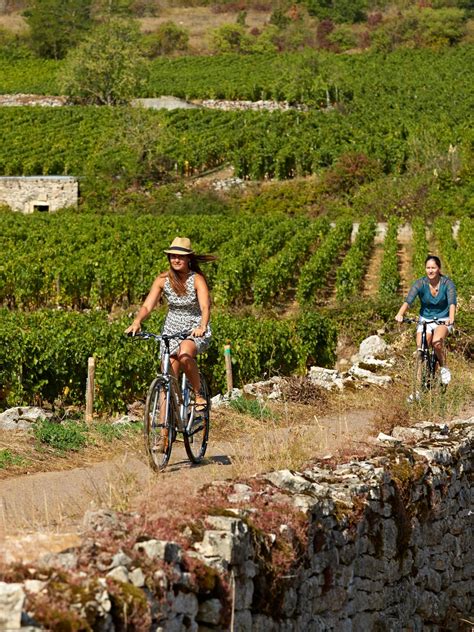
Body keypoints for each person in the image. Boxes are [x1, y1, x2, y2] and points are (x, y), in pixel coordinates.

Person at [125, 237, 215, 442]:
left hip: (194, 326)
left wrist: (202, 326)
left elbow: (205, 307)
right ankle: (165, 437)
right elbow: (148, 305)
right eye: (173, 256)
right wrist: (138, 321)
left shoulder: (196, 279)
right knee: (167, 379)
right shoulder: (162, 280)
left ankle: (198, 394)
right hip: (171, 327)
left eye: (180, 256)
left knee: (184, 355)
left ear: (188, 259)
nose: (176, 260)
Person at [395, 255, 457, 397]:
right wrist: (400, 314)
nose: (430, 270)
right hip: (425, 319)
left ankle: (443, 368)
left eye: (433, 268)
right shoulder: (420, 283)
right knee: (420, 352)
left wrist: (451, 319)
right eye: (428, 268)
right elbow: (408, 300)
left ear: (438, 268)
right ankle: (417, 391)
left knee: (436, 343)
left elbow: (452, 302)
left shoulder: (447, 283)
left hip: (443, 318)